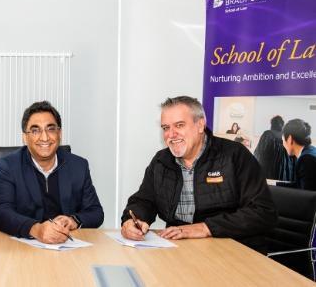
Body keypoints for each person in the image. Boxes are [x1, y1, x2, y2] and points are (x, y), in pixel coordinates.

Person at [121, 96, 277, 253]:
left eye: (179, 125)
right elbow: (143, 201)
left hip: (234, 251)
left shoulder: (234, 155)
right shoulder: (162, 160)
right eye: (166, 128)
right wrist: (132, 221)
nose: (171, 134)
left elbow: (263, 212)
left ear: (200, 124)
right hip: (180, 250)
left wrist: (206, 228)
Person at [0, 101, 103, 244]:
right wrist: (36, 230)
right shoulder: (8, 166)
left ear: (59, 133)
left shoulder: (78, 165)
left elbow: (96, 212)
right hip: (21, 247)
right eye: (35, 130)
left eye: (50, 129)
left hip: (66, 246)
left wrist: (73, 220)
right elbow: (0, 213)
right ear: (25, 137)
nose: (44, 138)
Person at [254, 116, 293, 181]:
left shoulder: (268, 133)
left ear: (272, 124)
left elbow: (260, 151)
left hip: (269, 166)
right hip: (279, 168)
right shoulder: (283, 135)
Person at [282, 119, 316, 190]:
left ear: (290, 139)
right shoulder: (311, 151)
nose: (283, 144)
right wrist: (274, 184)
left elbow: (306, 196)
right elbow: (300, 185)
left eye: (283, 140)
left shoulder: (306, 159)